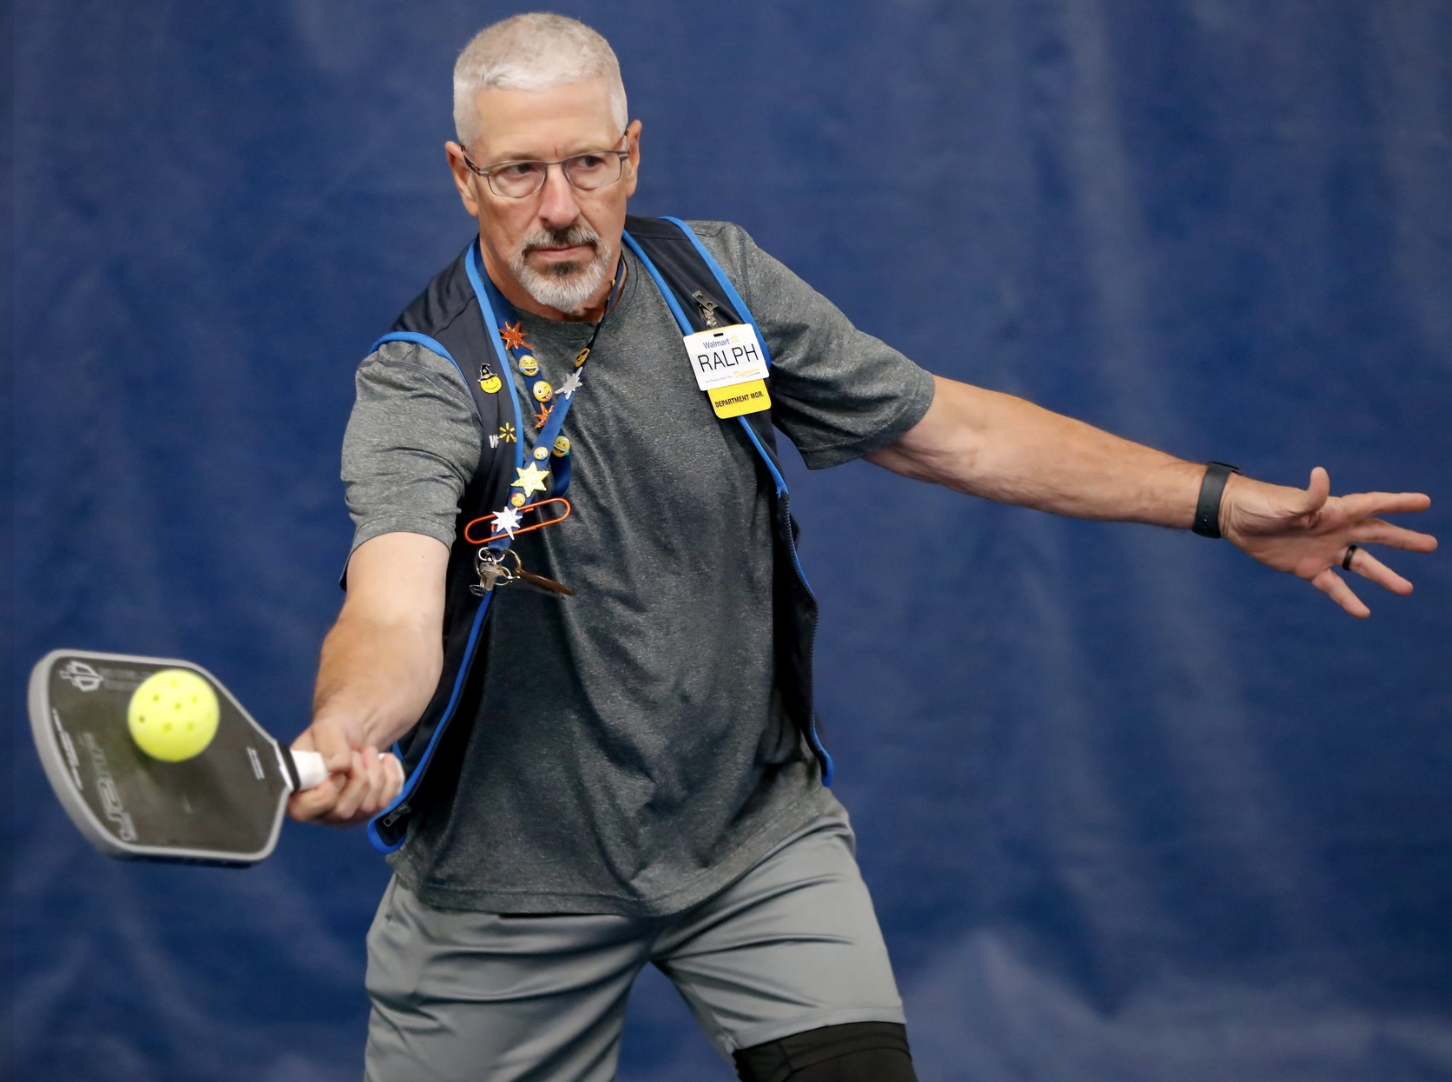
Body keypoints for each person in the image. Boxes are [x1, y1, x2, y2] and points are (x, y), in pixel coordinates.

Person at [287, 13, 1436, 1082]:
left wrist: (1221, 501)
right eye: (517, 172)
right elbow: (392, 606)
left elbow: (955, 433)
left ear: (631, 156)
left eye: (586, 163)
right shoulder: (422, 381)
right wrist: (350, 727)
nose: (559, 206)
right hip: (507, 882)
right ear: (463, 177)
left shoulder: (713, 287)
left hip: (752, 841)